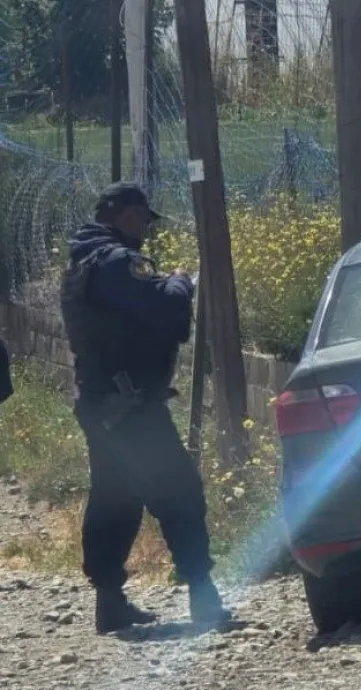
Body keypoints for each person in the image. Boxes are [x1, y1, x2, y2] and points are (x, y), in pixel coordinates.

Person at [61, 182, 232, 634]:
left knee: (116, 497)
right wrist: (177, 281)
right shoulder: (117, 263)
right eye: (141, 218)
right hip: (130, 404)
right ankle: (202, 593)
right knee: (178, 491)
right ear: (122, 214)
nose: (145, 229)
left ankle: (110, 601)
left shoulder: (82, 261)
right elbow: (169, 316)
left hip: (100, 402)